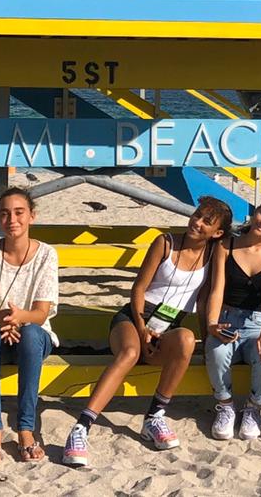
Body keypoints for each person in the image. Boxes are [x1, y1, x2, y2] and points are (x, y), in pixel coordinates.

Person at [63, 198, 231, 467]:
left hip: (168, 327)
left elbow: (204, 300)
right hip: (134, 318)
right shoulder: (166, 242)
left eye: (206, 221)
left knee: (187, 339)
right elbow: (139, 288)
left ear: (218, 232)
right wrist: (142, 327)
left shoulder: (213, 254)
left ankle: (154, 416)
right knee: (130, 352)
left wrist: (208, 335)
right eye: (197, 215)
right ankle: (81, 427)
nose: (197, 222)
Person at [0, 187, 59, 464]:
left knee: (30, 333)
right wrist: (5, 317)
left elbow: (41, 313)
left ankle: (25, 429)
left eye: (19, 212)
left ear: (32, 216)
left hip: (32, 335)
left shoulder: (46, 254)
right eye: (5, 214)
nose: (12, 220)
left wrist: (18, 318)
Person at [204, 196, 261, 442]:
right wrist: (212, 324)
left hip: (259, 322)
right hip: (227, 317)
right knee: (217, 351)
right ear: (256, 212)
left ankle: (254, 407)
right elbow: (217, 289)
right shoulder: (226, 246)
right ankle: (225, 404)